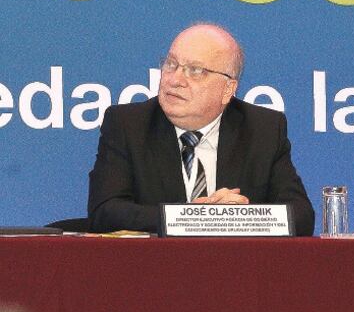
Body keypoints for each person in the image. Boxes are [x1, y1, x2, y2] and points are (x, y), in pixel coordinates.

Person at [88, 23, 315, 235]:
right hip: (155, 262)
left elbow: (301, 216)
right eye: (171, 64)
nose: (175, 79)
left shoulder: (262, 129)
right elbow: (105, 211)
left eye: (195, 70)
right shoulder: (128, 124)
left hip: (235, 263)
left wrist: (234, 217)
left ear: (228, 89)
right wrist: (195, 217)